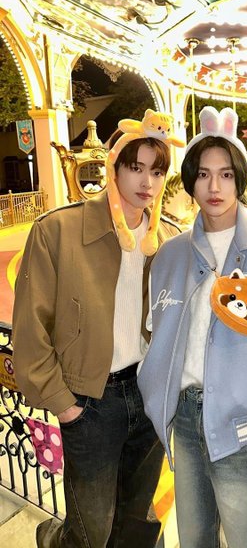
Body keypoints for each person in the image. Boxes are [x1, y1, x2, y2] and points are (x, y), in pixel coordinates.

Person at [138, 106, 247, 548]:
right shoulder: (170, 254)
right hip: (185, 421)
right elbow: (155, 327)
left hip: (243, 424)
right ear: (190, 181)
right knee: (194, 538)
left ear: (240, 180)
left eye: (226, 175)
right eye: (204, 175)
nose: (215, 187)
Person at [12, 111, 180, 548]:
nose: (147, 182)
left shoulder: (169, 239)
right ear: (114, 166)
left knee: (138, 520)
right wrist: (64, 404)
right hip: (90, 400)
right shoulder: (58, 230)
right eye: (136, 167)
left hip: (147, 392)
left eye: (157, 171)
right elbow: (31, 329)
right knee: (91, 529)